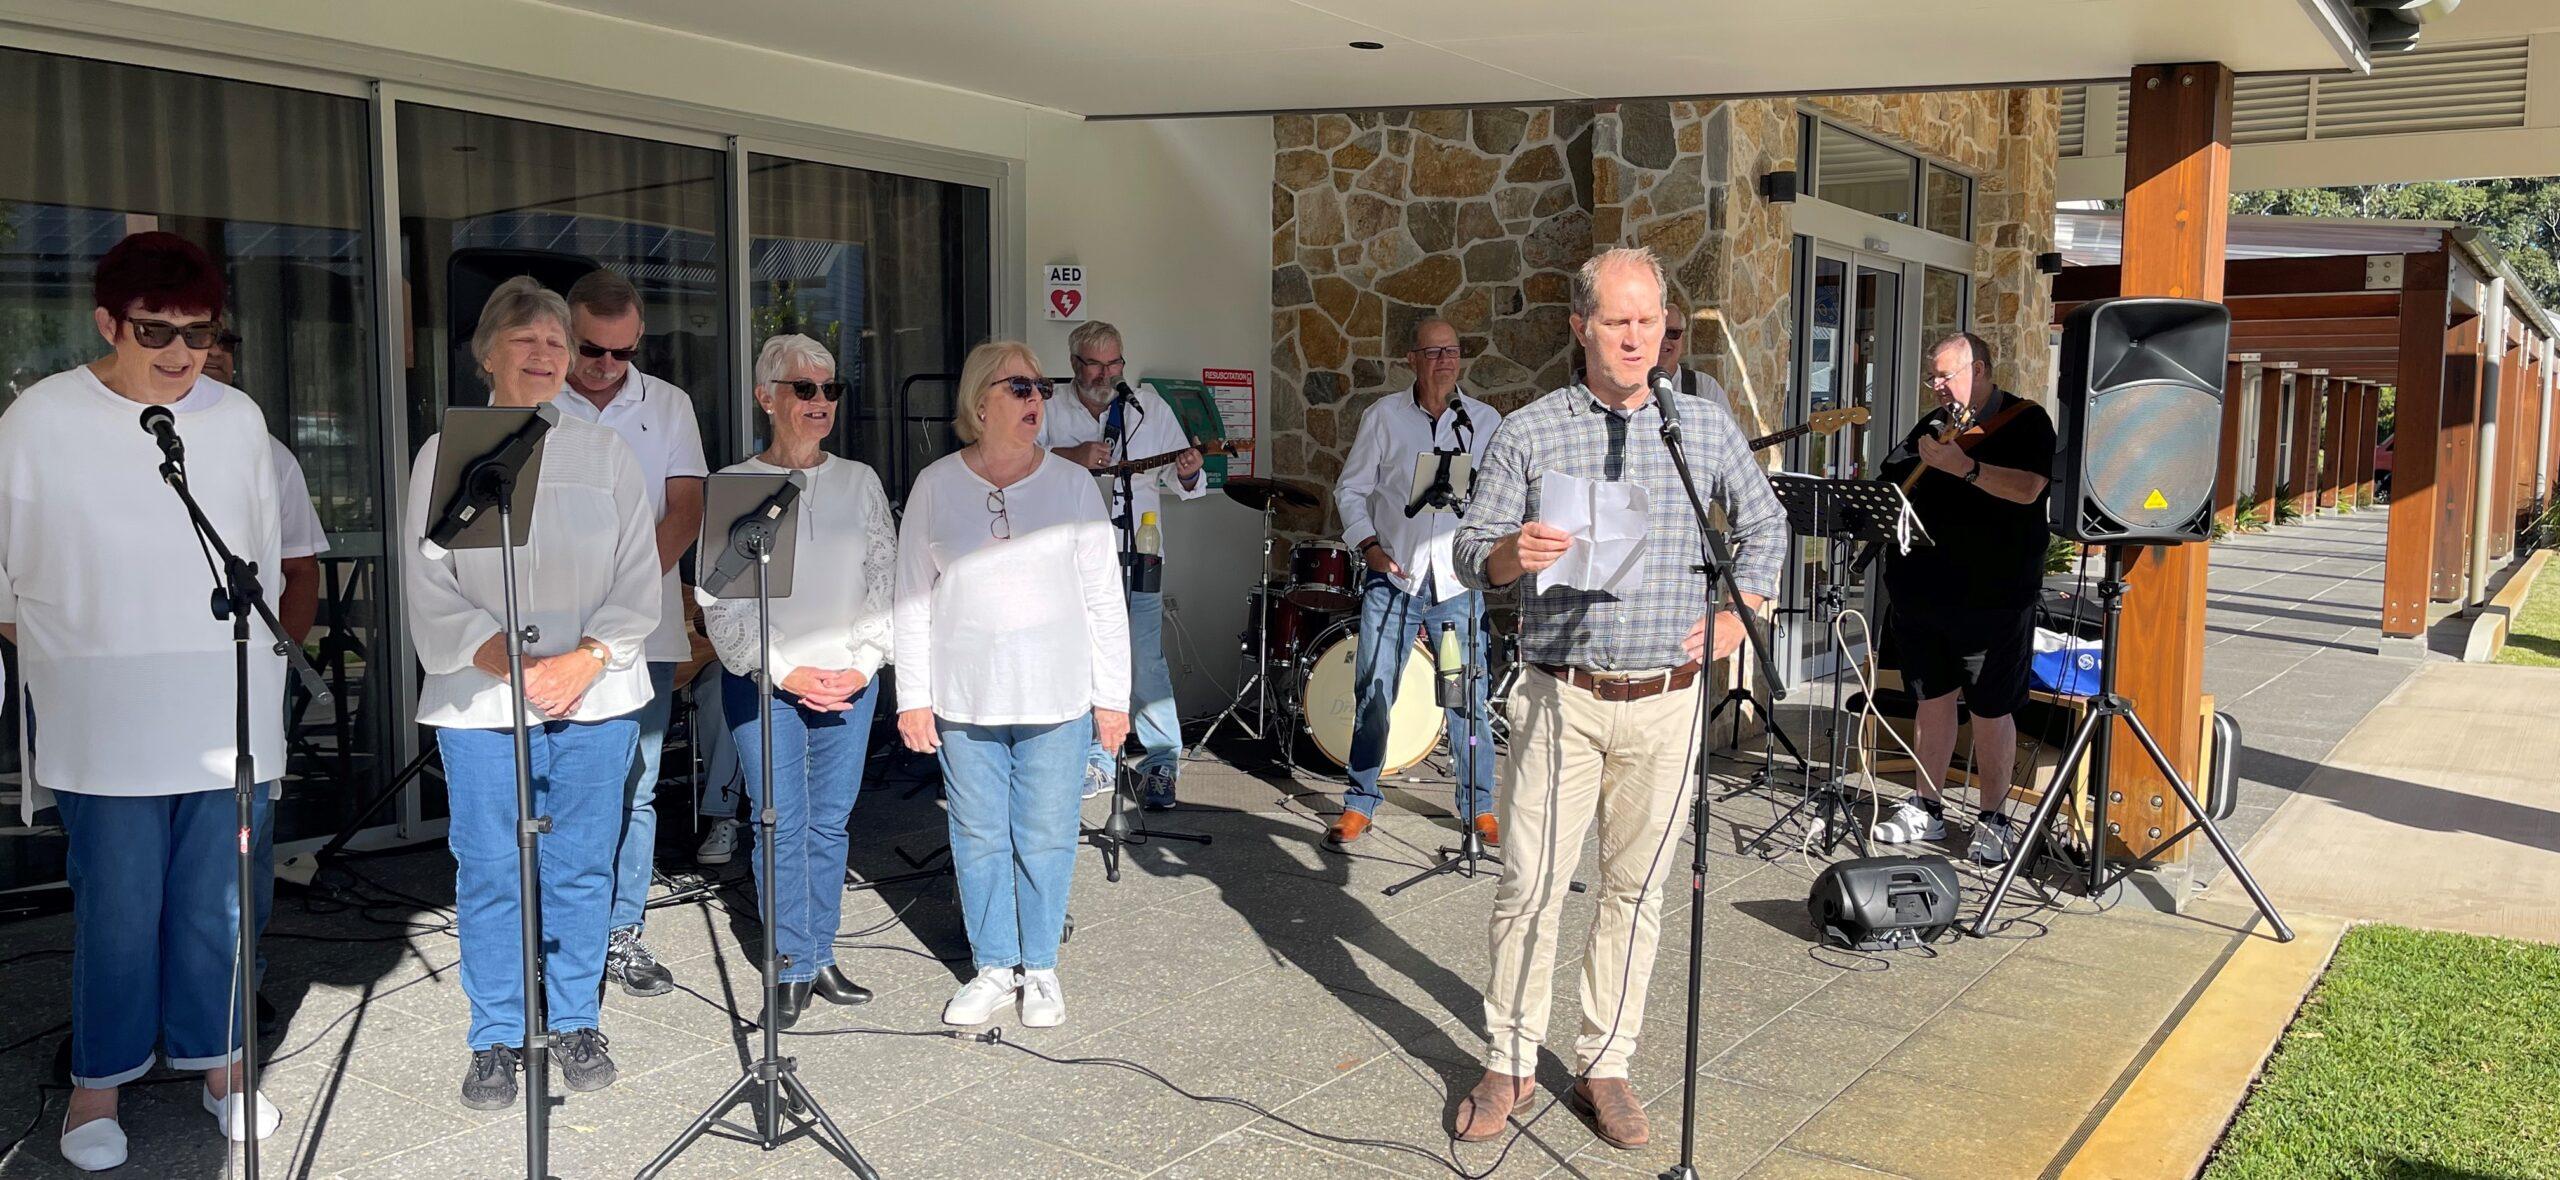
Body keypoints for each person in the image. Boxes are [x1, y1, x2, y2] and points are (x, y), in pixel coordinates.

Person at [1449, 247, 1789, 1151]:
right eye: (1617, 322)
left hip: (1668, 699)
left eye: (1649, 322)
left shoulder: (1699, 428)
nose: (1636, 338)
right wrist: (1510, 555)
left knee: (1635, 890)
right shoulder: (1530, 432)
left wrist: (1743, 610)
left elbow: (1766, 523)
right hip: (1561, 696)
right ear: (1581, 328)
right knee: (1530, 885)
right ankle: (1508, 1060)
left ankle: (1605, 1063)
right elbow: (1471, 551)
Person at [0, 232, 286, 1170]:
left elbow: (261, 560)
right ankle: (99, 1084)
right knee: (119, 909)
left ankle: (222, 1067)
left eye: (198, 333)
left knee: (217, 902)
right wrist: (79, 659)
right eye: (155, 330)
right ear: (107, 324)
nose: (179, 352)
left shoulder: (237, 418)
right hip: (102, 713)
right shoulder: (39, 418)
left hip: (223, 702)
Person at [406, 275, 660, 1111]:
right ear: (488, 355)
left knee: (581, 867)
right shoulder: (447, 454)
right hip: (482, 700)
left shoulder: (606, 453)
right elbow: (429, 583)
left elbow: (638, 575)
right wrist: (515, 667)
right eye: (527, 340)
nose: (546, 354)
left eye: (557, 341)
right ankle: (497, 1035)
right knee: (490, 870)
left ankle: (577, 1019)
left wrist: (585, 659)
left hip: (593, 695)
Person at [896, 340, 1129, 1031]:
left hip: (1056, 697)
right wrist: (913, 697)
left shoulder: (1072, 485)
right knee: (977, 836)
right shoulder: (935, 485)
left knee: (1047, 835)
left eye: (1040, 388)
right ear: (980, 402)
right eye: (1020, 387)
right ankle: (995, 965)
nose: (1037, 400)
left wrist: (1112, 699)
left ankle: (1041, 968)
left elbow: (1104, 601)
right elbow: (909, 599)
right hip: (964, 698)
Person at [697, 334, 893, 1030]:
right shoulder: (733, 484)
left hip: (849, 681)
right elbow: (717, 599)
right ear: (766, 397)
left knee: (830, 823)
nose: (820, 401)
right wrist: (786, 669)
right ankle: (789, 964)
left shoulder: (860, 481)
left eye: (829, 389)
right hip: (765, 681)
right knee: (778, 822)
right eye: (804, 388)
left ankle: (821, 953)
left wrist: (861, 665)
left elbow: (884, 580)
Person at [548, 268, 708, 1000]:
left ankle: (620, 932)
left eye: (622, 352)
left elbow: (686, 510)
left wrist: (627, 590)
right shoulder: (535, 397)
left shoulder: (668, 404)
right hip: (553, 627)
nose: (607, 366)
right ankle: (556, 937)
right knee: (555, 788)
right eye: (591, 350)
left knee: (635, 785)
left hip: (645, 627)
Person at [1872, 332, 2056, 867]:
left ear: (1979, 370)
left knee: (1990, 709)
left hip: (1993, 597)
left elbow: (2029, 488)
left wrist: (1965, 468)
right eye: (1932, 376)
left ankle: (1994, 818)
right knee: (1931, 700)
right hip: (1924, 593)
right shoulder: (1933, 424)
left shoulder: (2026, 421)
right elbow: (1893, 480)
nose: (1936, 385)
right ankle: (1927, 807)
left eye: (1945, 375)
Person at [1325, 316, 1503, 848]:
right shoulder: (1384, 417)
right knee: (1375, 690)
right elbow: (1351, 490)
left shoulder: (1483, 421)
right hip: (1395, 578)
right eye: (1433, 352)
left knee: (1467, 696)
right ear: (1412, 359)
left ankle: (1479, 807)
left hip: (1456, 581)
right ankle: (1359, 801)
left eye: (1452, 351)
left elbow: (1498, 499)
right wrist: (1370, 549)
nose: (1445, 361)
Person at [205, 329, 328, 1035]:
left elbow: (301, 569)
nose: (204, 360)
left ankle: (236, 988)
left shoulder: (269, 454)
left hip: (247, 673)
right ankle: (134, 1007)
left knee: (245, 832)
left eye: (217, 350)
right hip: (145, 682)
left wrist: (283, 656)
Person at [1039, 320, 1201, 809]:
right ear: (1074, 364)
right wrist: (1073, 456)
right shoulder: (1049, 407)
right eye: (1096, 364)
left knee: (1144, 659)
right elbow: (1022, 463)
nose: (1107, 374)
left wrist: (1188, 472)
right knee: (1084, 657)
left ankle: (1161, 762)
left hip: (1141, 550)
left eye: (1115, 363)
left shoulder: (1148, 407)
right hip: (1072, 558)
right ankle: (1097, 757)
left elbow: (1179, 479)